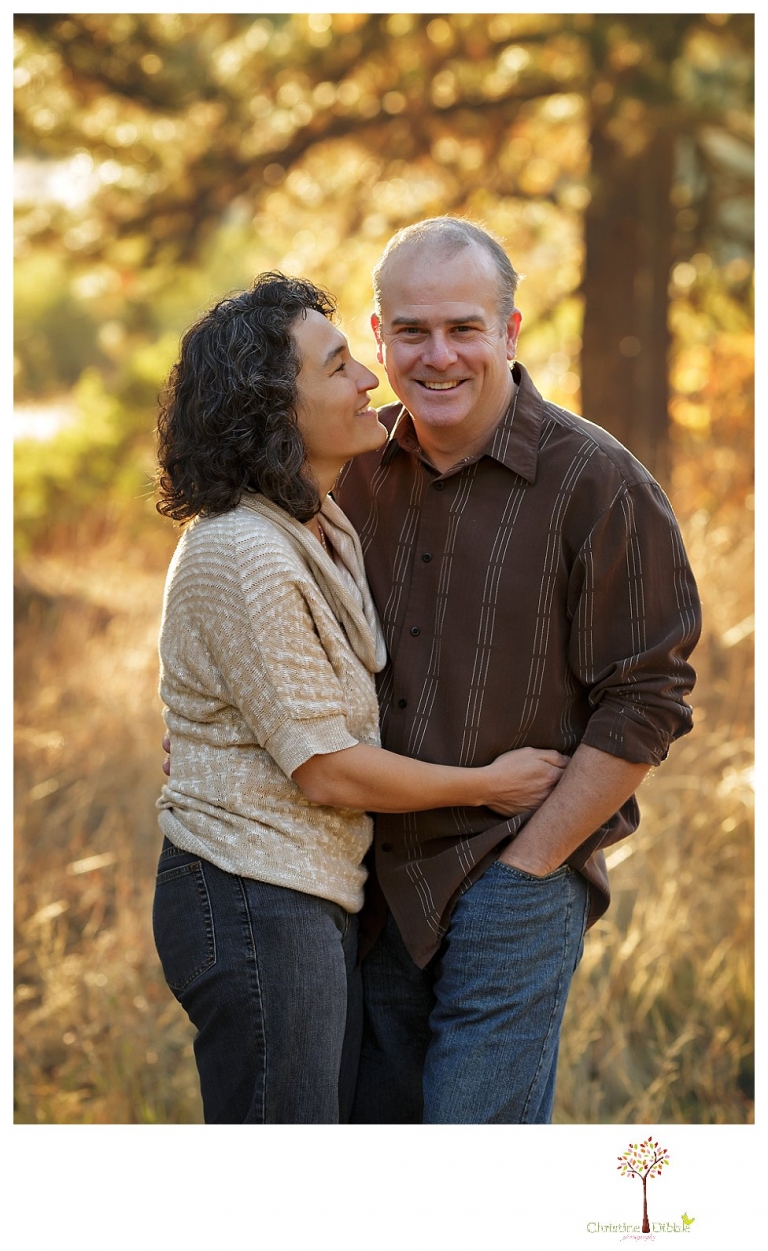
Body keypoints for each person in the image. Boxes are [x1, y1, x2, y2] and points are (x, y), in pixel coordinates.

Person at [151, 271, 570, 1124]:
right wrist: (489, 782)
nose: (368, 379)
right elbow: (331, 772)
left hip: (302, 894)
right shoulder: (243, 550)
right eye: (339, 365)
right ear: (276, 406)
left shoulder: (316, 521)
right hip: (250, 892)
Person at [332, 216, 702, 1124]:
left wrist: (532, 865)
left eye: (464, 328)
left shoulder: (600, 483)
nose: (439, 355)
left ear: (510, 331)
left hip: (513, 876)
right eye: (412, 331)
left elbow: (649, 695)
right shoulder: (345, 473)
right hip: (365, 883)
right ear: (378, 338)